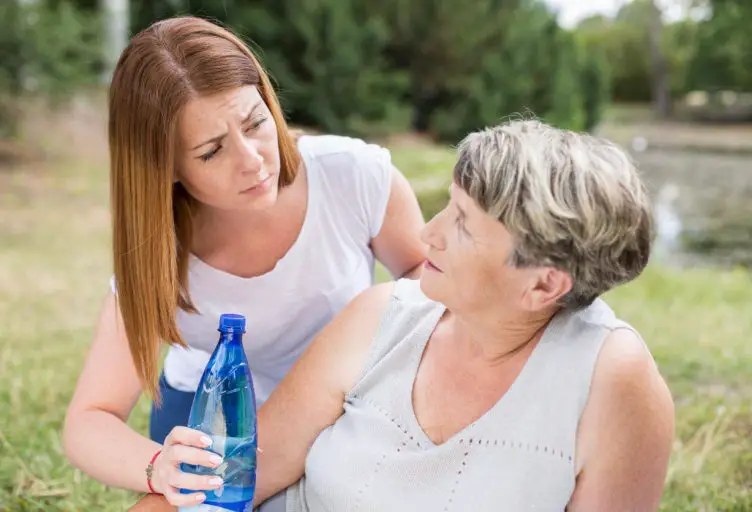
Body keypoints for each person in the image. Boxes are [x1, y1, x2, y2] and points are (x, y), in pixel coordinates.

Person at [62, 15, 427, 512]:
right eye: (212, 151)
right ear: (164, 167)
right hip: (207, 429)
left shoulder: (354, 175)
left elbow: (430, 291)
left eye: (255, 123)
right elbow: (90, 419)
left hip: (339, 417)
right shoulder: (159, 248)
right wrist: (156, 467)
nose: (253, 159)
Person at [250, 119, 675, 511]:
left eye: (463, 224)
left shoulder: (612, 381)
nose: (428, 234)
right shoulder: (381, 315)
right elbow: (239, 479)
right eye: (448, 206)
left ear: (543, 285)